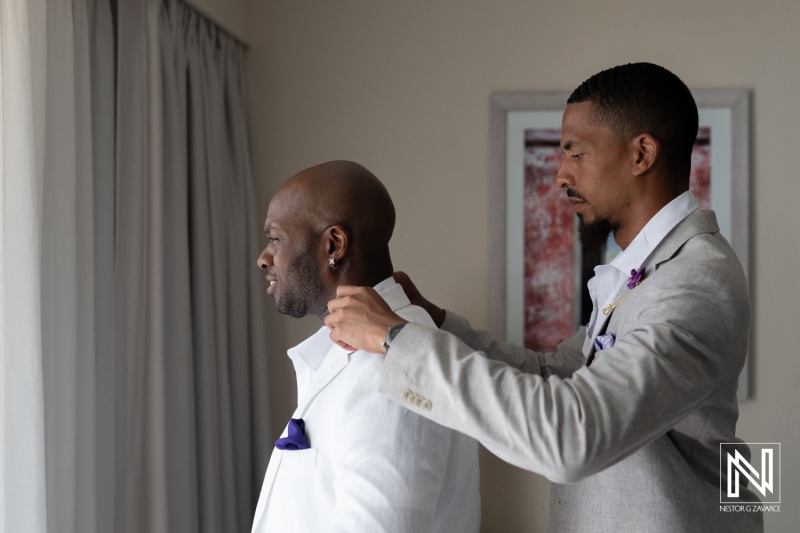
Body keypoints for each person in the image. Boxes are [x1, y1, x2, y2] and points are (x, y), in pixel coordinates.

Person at [324, 63, 763, 532]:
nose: (559, 175)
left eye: (576, 153)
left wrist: (395, 340)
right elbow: (555, 374)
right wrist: (434, 321)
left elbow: (573, 437)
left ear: (642, 154)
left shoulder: (696, 280)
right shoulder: (641, 272)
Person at [250, 160, 480, 533]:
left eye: (275, 238)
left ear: (334, 245)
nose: (264, 258)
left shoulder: (391, 367)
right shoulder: (351, 349)